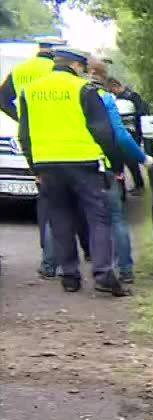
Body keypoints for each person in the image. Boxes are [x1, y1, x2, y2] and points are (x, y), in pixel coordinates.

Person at [18, 47, 128, 296]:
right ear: (77, 66)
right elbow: (103, 131)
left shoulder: (31, 91)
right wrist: (115, 164)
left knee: (60, 218)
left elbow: (24, 134)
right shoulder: (84, 89)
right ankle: (103, 274)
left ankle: (69, 275)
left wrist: (34, 165)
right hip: (83, 163)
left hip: (47, 165)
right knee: (98, 218)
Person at [89, 57, 151, 283]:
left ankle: (99, 270)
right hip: (105, 165)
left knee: (93, 220)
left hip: (80, 166)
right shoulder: (107, 99)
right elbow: (121, 136)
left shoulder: (73, 99)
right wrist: (141, 158)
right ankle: (124, 269)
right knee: (116, 218)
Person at [0, 40, 58, 277]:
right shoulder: (57, 72)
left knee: (45, 197)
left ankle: (49, 255)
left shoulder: (20, 70)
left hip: (28, 134)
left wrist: (20, 116)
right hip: (54, 134)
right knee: (59, 202)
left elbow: (3, 100)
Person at [107, 77, 148, 196]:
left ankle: (139, 185)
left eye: (112, 89)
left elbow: (142, 112)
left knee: (131, 161)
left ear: (116, 86)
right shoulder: (116, 98)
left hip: (132, 131)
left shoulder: (132, 96)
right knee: (120, 161)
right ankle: (122, 189)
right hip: (122, 131)